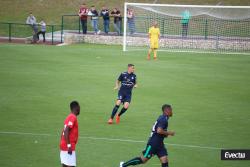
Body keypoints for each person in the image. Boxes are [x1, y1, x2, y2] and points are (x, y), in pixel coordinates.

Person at [60, 101, 80, 167]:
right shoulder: (73, 117)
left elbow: (63, 131)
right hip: (68, 147)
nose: (80, 109)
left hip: (64, 145)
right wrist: (69, 146)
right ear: (76, 107)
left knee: (65, 165)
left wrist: (62, 143)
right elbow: (66, 131)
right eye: (79, 107)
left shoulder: (69, 117)